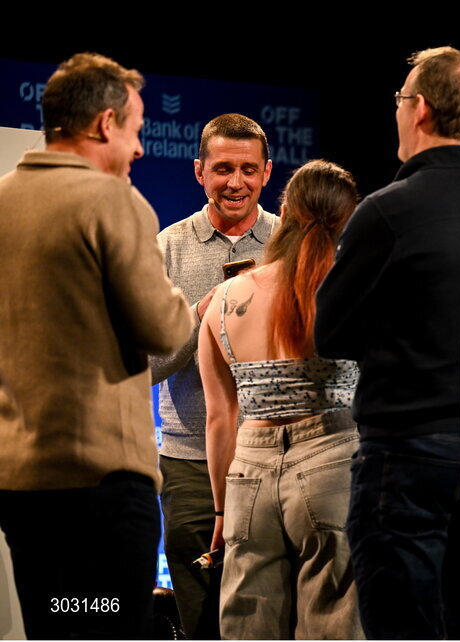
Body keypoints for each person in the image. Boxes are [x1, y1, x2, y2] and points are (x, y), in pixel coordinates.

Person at [314, 46, 460, 638]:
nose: (396, 110)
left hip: (409, 460)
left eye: (399, 98)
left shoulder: (388, 212)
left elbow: (330, 333)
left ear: (420, 110)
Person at [0, 52, 193, 639]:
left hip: (21, 482)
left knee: (55, 628)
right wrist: (192, 304)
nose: (139, 150)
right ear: (105, 124)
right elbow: (164, 329)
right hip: (101, 484)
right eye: (135, 131)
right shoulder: (112, 202)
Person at [198, 160, 361, 639]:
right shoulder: (351, 293)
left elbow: (220, 419)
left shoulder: (225, 298)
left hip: (247, 473)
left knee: (247, 627)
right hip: (332, 465)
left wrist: (222, 510)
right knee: (333, 624)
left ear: (283, 210)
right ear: (349, 219)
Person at [150, 113, 277, 639]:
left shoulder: (289, 243)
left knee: (269, 610)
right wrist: (202, 312)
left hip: (276, 454)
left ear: (267, 173)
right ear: (199, 170)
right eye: (223, 168)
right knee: (199, 613)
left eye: (248, 169)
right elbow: (147, 364)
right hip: (189, 462)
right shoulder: (168, 248)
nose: (236, 183)